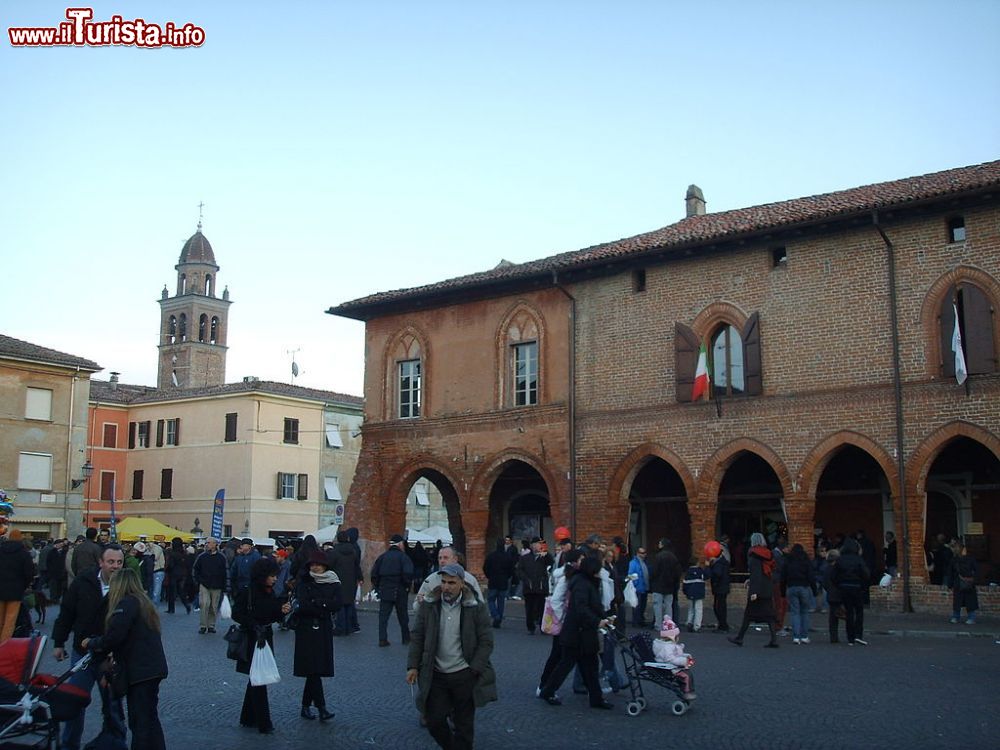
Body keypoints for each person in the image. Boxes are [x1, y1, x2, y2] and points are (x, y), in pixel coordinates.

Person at [406, 563, 496, 749]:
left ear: (462, 583)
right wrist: (412, 666)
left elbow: (486, 640)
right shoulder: (429, 605)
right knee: (434, 720)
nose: (446, 586)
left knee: (464, 726)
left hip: (464, 673)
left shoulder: (476, 607)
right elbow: (417, 636)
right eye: (444, 582)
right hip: (436, 673)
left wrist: (475, 669)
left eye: (452, 583)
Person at [83, 568, 168, 750]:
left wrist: (92, 643)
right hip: (151, 668)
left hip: (141, 670)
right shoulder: (143, 603)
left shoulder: (126, 604)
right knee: (149, 718)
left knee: (140, 721)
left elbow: (114, 637)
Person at [52, 545, 126, 750]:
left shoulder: (126, 586)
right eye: (111, 562)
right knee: (74, 702)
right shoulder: (83, 582)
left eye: (119, 562)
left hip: (110, 656)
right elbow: (67, 612)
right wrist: (59, 642)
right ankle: (69, 745)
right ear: (101, 562)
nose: (115, 566)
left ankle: (115, 744)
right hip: (82, 652)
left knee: (112, 704)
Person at [537, 555, 613, 710]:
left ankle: (596, 698)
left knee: (589, 666)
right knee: (568, 664)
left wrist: (604, 617)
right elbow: (581, 608)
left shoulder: (585, 582)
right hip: (578, 633)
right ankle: (548, 690)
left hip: (582, 632)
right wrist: (597, 621)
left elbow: (592, 606)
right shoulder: (582, 584)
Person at [233, 557, 291, 734]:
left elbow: (271, 615)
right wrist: (253, 624)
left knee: (257, 677)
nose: (274, 579)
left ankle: (248, 717)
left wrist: (281, 612)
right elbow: (237, 614)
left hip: (265, 636)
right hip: (253, 638)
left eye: (275, 575)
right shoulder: (247, 591)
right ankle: (264, 722)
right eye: (271, 576)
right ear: (262, 575)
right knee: (259, 677)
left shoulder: (270, 592)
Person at [293, 551, 341, 721]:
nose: (315, 567)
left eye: (318, 565)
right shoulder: (305, 581)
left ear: (325, 566)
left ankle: (305, 707)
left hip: (324, 629)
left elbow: (337, 604)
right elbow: (304, 605)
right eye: (312, 565)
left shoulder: (333, 581)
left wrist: (318, 603)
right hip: (307, 629)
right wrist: (323, 606)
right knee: (314, 669)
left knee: (315, 669)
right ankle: (321, 708)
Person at [728, 533, 779, 648]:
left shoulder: (753, 554)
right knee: (769, 615)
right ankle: (774, 639)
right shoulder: (768, 553)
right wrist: (750, 580)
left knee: (748, 615)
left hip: (758, 590)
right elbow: (765, 572)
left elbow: (756, 574)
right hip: (767, 588)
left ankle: (740, 638)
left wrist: (754, 591)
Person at [370, 533, 414, 646]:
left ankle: (382, 639)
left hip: (385, 589)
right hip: (400, 589)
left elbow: (374, 574)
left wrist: (378, 587)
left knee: (383, 616)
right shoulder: (404, 557)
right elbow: (408, 573)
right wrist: (406, 585)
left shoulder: (382, 557)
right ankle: (406, 638)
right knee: (403, 616)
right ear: (400, 544)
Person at [833, 537, 870, 646]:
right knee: (859, 611)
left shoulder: (840, 560)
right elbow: (866, 574)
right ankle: (858, 635)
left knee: (849, 613)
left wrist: (839, 584)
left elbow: (833, 576)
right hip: (856, 587)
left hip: (844, 587)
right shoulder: (858, 559)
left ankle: (850, 638)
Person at [0, 529, 34, 642]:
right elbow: (29, 573)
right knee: (10, 619)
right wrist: (24, 585)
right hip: (16, 590)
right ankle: (4, 644)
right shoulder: (24, 553)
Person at [327, 530, 362, 636]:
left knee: (340, 605)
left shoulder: (334, 552)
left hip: (338, 580)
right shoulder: (353, 551)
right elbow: (357, 566)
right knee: (349, 604)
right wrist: (359, 577)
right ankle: (349, 627)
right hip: (351, 580)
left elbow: (329, 565)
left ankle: (340, 627)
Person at [652, 616, 696, 700]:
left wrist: (685, 656)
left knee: (687, 673)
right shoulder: (667, 647)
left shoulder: (665, 645)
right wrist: (684, 661)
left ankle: (687, 691)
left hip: (669, 666)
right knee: (687, 675)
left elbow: (673, 656)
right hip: (669, 669)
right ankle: (687, 692)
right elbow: (670, 659)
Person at [515, 538, 552, 634]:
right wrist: (526, 579)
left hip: (541, 587)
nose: (537, 546)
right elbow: (519, 570)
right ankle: (530, 627)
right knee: (529, 608)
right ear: (531, 545)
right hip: (529, 587)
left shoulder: (544, 557)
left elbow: (551, 562)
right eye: (535, 544)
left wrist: (545, 553)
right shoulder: (525, 558)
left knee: (542, 608)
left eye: (539, 544)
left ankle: (542, 627)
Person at [192, 537, 227, 634]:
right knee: (204, 604)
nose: (207, 544)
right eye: (206, 543)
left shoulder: (221, 557)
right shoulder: (202, 556)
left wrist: (225, 586)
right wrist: (198, 581)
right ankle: (203, 625)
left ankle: (211, 625)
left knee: (214, 606)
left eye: (209, 543)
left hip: (217, 584)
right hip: (204, 584)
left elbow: (225, 572)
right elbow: (195, 569)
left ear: (215, 544)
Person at [783, 543, 816, 644]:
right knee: (804, 612)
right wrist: (814, 590)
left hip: (791, 587)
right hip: (804, 587)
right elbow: (811, 576)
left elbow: (783, 577)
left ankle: (796, 637)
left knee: (795, 612)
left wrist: (782, 591)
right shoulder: (806, 561)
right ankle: (804, 636)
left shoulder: (788, 561)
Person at [649, 538, 681, 632]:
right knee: (668, 606)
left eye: (659, 543)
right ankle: (668, 625)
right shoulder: (673, 557)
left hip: (658, 585)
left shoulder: (658, 556)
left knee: (657, 606)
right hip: (670, 586)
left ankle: (658, 625)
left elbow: (654, 571)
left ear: (662, 545)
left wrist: (652, 580)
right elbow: (677, 572)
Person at [483, 540, 515, 628]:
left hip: (493, 581)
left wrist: (489, 576)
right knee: (501, 602)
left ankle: (495, 615)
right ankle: (499, 618)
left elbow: (485, 568)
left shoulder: (491, 556)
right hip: (503, 582)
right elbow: (511, 570)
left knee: (491, 600)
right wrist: (507, 577)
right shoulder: (507, 557)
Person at [949, 545, 978, 625]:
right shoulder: (971, 559)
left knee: (957, 602)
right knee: (970, 602)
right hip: (969, 583)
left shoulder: (954, 560)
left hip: (958, 583)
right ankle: (971, 618)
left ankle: (956, 617)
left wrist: (950, 584)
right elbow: (976, 570)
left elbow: (951, 573)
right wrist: (973, 579)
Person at [165, 537, 192, 614]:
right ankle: (186, 605)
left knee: (172, 592)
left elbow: (170, 565)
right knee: (181, 591)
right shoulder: (184, 553)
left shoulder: (172, 553)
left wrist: (167, 570)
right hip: (183, 574)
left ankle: (171, 609)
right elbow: (187, 564)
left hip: (173, 574)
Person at [822, 548, 843, 643]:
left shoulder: (826, 569)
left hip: (831, 593)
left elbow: (824, 583)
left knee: (833, 616)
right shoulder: (839, 569)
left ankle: (833, 636)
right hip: (839, 593)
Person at [708, 544, 731, 632]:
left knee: (718, 607)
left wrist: (709, 566)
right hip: (722, 587)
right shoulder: (723, 562)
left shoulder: (718, 563)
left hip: (720, 587)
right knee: (721, 606)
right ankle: (722, 624)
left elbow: (717, 574)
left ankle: (723, 625)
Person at [682, 556, 707, 633]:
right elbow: (707, 576)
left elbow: (685, 584)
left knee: (691, 609)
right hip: (699, 593)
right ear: (697, 563)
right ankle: (697, 626)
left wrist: (685, 592)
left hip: (690, 593)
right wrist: (708, 566)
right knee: (698, 609)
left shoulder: (687, 572)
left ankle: (689, 622)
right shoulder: (700, 571)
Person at [627, 547, 650, 627]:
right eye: (641, 553)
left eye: (644, 553)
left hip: (644, 587)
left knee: (642, 606)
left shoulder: (644, 563)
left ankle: (640, 620)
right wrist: (635, 584)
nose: (643, 555)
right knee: (637, 606)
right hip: (638, 588)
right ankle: (636, 622)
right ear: (637, 553)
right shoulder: (633, 563)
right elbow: (631, 574)